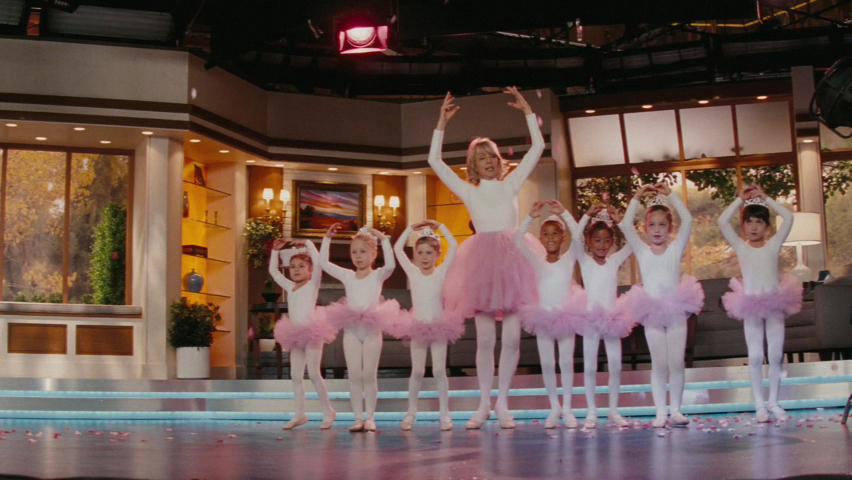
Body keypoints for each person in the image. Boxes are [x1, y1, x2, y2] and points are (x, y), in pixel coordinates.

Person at [429, 87, 545, 429]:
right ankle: (483, 405)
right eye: (482, 158)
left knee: (511, 339)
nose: (489, 161)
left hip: (514, 263)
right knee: (484, 340)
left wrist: (527, 111)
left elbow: (538, 147)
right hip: (480, 265)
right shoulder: (468, 191)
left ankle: (503, 404)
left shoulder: (511, 184)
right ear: (473, 166)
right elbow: (434, 161)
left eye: (492, 155)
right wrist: (441, 124)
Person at [620, 183, 704, 428]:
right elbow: (625, 225)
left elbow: (688, 220)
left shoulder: (675, 248)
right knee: (658, 363)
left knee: (676, 362)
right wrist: (636, 196)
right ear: (645, 228)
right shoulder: (641, 250)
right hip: (652, 312)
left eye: (662, 225)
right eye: (652, 225)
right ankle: (660, 412)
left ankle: (676, 410)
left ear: (670, 228)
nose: (657, 230)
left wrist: (671, 195)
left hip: (676, 309)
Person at [718, 184, 799, 422]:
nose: (754, 227)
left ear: (768, 227)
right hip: (750, 305)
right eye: (749, 222)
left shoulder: (774, 244)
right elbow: (722, 222)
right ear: (743, 225)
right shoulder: (740, 246)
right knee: (754, 356)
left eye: (759, 222)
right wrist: (739, 200)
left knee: (775, 355)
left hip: (774, 304)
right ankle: (759, 405)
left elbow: (789, 217)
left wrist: (766, 197)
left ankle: (774, 401)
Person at [320, 224, 400, 432]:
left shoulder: (378, 275)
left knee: (369, 375)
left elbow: (391, 265)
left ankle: (370, 417)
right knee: (354, 374)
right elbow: (324, 263)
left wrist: (383, 239)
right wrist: (327, 238)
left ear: (373, 254)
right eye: (354, 252)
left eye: (363, 251)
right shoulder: (347, 275)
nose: (357, 256)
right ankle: (357, 418)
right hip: (352, 330)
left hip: (372, 328)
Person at [515, 200, 586, 429]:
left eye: (555, 233)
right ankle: (554, 407)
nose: (551, 238)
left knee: (566, 362)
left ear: (563, 238)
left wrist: (564, 213)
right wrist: (530, 216)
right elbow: (517, 241)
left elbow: (579, 237)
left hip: (566, 316)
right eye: (546, 234)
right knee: (547, 363)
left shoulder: (568, 258)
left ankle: (567, 408)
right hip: (543, 317)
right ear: (540, 239)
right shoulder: (537, 260)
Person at [392, 220, 461, 431]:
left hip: (439, 327)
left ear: (437, 254)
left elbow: (454, 246)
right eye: (420, 253)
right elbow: (397, 249)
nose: (424, 257)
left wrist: (441, 226)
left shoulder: (441, 271)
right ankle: (411, 412)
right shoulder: (413, 272)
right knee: (417, 371)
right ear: (415, 255)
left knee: (439, 370)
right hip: (418, 327)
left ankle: (444, 412)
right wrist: (410, 229)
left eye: (429, 253)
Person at [574, 203, 634, 429]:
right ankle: (591, 411)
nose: (602, 245)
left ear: (612, 242)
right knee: (590, 367)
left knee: (616, 365)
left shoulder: (615, 260)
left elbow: (633, 244)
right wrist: (586, 215)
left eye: (606, 240)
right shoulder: (585, 260)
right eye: (597, 240)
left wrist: (620, 222)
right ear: (589, 242)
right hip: (590, 318)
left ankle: (613, 410)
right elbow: (575, 239)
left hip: (612, 318)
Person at [269, 239, 338, 430]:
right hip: (295, 334)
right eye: (292, 267)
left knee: (314, 373)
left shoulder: (312, 283)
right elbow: (274, 272)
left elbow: (319, 263)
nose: (296, 270)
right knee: (295, 375)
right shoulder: (289, 286)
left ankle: (328, 411)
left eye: (301, 266)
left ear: (310, 270)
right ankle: (300, 414)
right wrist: (275, 251)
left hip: (312, 332)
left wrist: (308, 243)